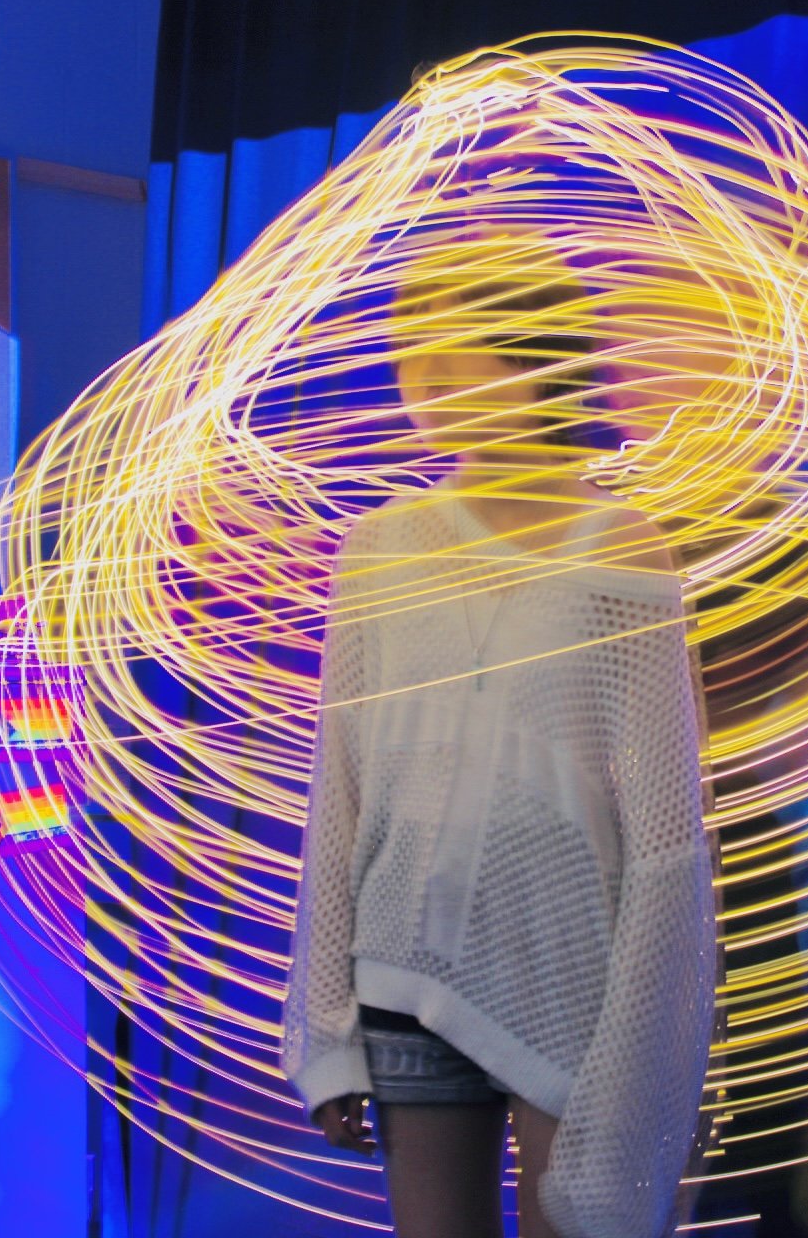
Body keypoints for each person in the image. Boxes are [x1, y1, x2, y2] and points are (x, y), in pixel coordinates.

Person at [281, 263, 719, 1238]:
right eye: (412, 361)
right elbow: (339, 790)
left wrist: (655, 1033)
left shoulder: (623, 549)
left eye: (456, 358)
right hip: (400, 968)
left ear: (537, 362)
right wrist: (327, 1029)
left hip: (572, 977)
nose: (427, 387)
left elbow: (665, 833)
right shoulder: (377, 549)